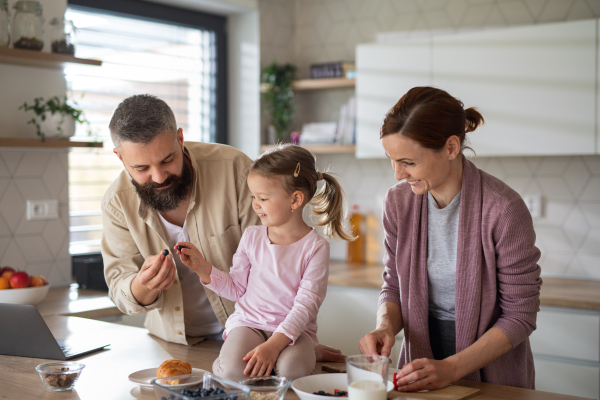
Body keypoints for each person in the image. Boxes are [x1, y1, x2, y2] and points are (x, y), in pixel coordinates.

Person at [101, 95, 345, 362]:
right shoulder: (116, 202)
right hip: (173, 343)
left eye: (167, 160)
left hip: (256, 336)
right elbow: (119, 286)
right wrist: (143, 285)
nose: (159, 177)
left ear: (180, 138)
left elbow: (278, 275)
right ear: (120, 158)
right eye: (141, 168)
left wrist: (295, 344)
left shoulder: (234, 169)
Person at [359, 87, 542, 391]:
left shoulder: (504, 210)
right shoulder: (397, 204)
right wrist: (385, 326)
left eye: (409, 162)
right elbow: (393, 285)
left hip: (491, 374)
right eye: (392, 160)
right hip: (418, 364)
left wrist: (451, 368)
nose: (398, 174)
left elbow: (520, 315)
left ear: (451, 148)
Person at [174, 144, 354, 382]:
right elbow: (237, 288)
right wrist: (202, 268)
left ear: (295, 199)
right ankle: (291, 356)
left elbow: (306, 306)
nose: (255, 204)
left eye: (263, 198)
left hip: (294, 332)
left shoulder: (316, 248)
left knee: (292, 373)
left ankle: (306, 351)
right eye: (253, 197)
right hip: (250, 324)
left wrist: (275, 346)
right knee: (233, 373)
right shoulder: (252, 236)